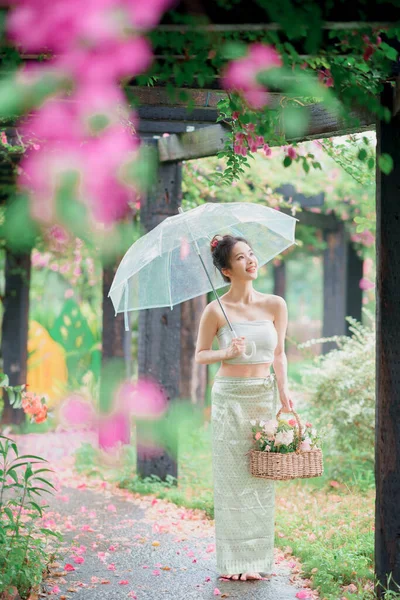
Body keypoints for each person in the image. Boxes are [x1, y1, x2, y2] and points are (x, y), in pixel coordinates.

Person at [195, 233, 294, 582]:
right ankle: (234, 562)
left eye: (251, 254)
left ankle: (257, 558)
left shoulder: (275, 305)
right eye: (240, 258)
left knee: (260, 477)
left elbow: (279, 354)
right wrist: (227, 352)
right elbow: (200, 354)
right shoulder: (215, 310)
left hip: (263, 396)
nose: (251, 260)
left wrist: (284, 392)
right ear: (225, 270)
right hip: (229, 396)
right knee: (232, 480)